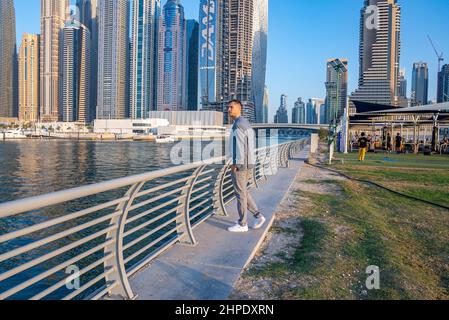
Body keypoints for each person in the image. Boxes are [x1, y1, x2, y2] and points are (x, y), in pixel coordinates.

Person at [227, 100, 266, 233]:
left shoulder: (238, 125)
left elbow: (240, 147)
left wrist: (236, 164)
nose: (229, 109)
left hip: (241, 165)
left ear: (239, 108)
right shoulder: (246, 123)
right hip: (249, 164)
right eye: (228, 107)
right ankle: (258, 216)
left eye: (231, 107)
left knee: (240, 195)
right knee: (244, 193)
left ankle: (242, 224)